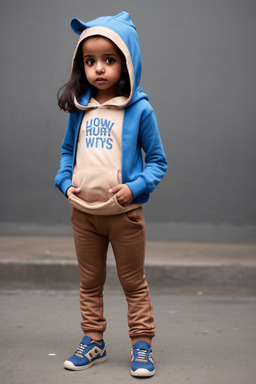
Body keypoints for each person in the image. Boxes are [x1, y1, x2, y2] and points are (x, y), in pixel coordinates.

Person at [54, 11, 167, 378]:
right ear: (80, 65)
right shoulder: (81, 109)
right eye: (90, 61)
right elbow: (68, 152)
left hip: (124, 216)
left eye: (109, 60)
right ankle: (93, 340)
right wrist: (63, 179)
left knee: (133, 283)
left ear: (127, 63)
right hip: (84, 214)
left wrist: (133, 189)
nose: (99, 69)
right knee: (90, 282)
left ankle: (142, 345)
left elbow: (158, 163)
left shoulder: (140, 110)